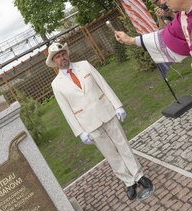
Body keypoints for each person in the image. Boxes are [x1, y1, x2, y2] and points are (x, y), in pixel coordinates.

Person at [46, 42, 154, 200]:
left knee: (123, 145)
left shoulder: (84, 65)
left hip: (107, 112)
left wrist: (117, 106)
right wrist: (80, 132)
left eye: (63, 54)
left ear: (67, 54)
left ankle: (139, 176)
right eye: (58, 57)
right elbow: (66, 111)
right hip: (88, 124)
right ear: (54, 61)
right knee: (111, 154)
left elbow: (104, 85)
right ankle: (128, 182)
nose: (62, 58)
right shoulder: (56, 85)